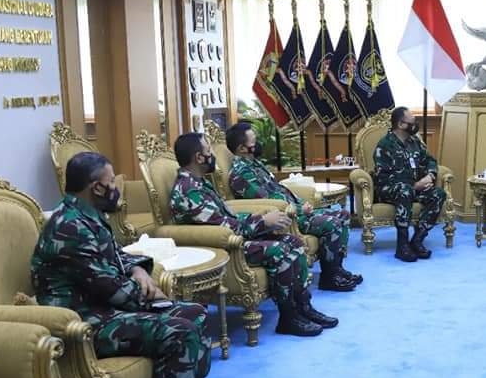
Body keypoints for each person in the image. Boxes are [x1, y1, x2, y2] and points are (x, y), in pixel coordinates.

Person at [31, 152, 243, 378]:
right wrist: (153, 297)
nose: (116, 187)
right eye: (111, 181)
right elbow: (111, 289)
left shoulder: (87, 215)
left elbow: (116, 256)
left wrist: (138, 270)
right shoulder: (69, 228)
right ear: (96, 187)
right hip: (83, 323)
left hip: (106, 309)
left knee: (195, 314)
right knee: (180, 332)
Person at [168, 133, 337, 337]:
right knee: (280, 250)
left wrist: (261, 220)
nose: (213, 155)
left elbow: (227, 216)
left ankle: (303, 307)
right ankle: (288, 318)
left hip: (236, 237)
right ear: (199, 157)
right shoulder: (189, 191)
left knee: (294, 242)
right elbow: (224, 227)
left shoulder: (199, 183)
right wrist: (263, 222)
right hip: (223, 247)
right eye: (209, 151)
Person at [225, 122, 360, 292]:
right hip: (286, 217)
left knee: (343, 214)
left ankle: (336, 269)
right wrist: (299, 209)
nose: (258, 143)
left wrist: (301, 203)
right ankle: (329, 278)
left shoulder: (254, 164)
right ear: (242, 148)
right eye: (254, 141)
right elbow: (268, 201)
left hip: (295, 210)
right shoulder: (241, 173)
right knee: (332, 223)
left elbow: (279, 190)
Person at [374, 106, 447, 262]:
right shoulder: (385, 145)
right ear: (400, 124)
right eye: (412, 122)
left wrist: (430, 176)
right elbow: (383, 178)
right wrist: (415, 186)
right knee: (405, 191)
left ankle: (417, 240)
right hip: (390, 189)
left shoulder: (415, 142)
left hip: (415, 187)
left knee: (438, 194)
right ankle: (402, 246)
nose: (415, 125)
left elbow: (430, 161)